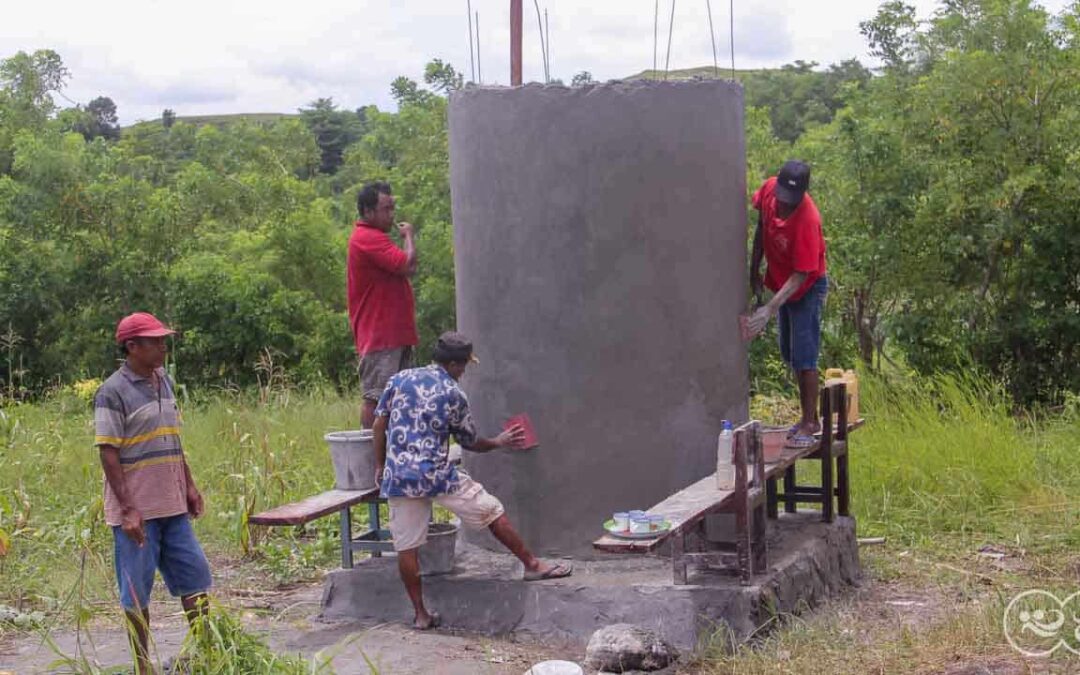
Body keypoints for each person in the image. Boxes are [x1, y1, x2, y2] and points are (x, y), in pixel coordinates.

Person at [372, 332, 572, 630]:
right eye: (464, 365)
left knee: (406, 546)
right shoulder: (453, 394)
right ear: (453, 364)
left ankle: (420, 615)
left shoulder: (399, 380)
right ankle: (532, 565)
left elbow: (379, 424)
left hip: (399, 477)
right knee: (490, 510)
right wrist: (499, 440)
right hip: (435, 475)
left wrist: (381, 465)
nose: (464, 371)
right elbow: (470, 442)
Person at [93, 312, 212, 674]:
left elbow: (174, 440)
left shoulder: (165, 380)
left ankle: (209, 652)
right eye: (155, 341)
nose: (163, 346)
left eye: (163, 339)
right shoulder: (111, 392)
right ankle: (143, 666)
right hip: (138, 513)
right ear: (132, 347)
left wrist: (189, 485)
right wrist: (128, 508)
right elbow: (108, 452)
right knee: (136, 592)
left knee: (196, 580)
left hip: (172, 504)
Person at [743, 160, 829, 449]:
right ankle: (809, 415)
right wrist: (754, 268)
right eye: (782, 198)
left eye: (791, 202)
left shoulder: (808, 219)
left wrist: (770, 308)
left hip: (805, 288)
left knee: (805, 356)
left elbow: (801, 274)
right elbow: (761, 226)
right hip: (782, 282)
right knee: (789, 353)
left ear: (803, 195)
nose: (784, 205)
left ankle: (810, 422)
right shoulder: (769, 191)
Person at [347, 180, 418, 430]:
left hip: (393, 334)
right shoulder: (367, 238)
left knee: (399, 398)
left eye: (392, 208)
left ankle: (390, 456)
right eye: (386, 209)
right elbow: (408, 265)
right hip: (380, 335)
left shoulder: (375, 238)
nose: (392, 215)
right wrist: (409, 235)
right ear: (368, 212)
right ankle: (369, 455)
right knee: (376, 397)